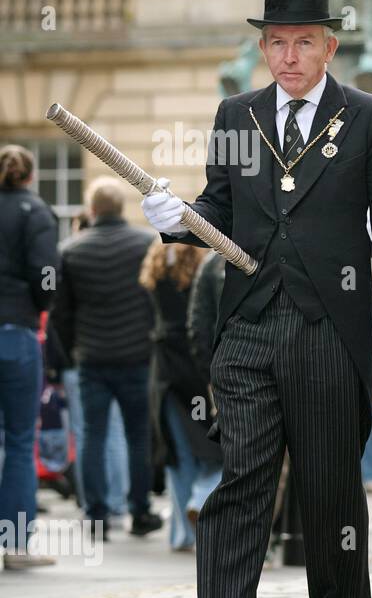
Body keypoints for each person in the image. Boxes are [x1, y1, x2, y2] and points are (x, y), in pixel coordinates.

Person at [142, 0, 372, 598]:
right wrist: (180, 224)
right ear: (263, 49)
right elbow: (220, 208)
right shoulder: (238, 115)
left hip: (331, 327)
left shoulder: (368, 116)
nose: (288, 56)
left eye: (302, 42)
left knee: (328, 483)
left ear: (329, 46)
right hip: (249, 325)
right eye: (275, 42)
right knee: (241, 480)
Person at [51, 177, 161, 541]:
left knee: (92, 436)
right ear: (122, 207)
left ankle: (96, 514)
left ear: (93, 210)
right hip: (137, 357)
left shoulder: (71, 251)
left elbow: (61, 314)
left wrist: (67, 354)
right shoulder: (145, 244)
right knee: (138, 437)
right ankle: (140, 510)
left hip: (92, 358)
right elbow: (153, 304)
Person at [139, 242, 222, 551]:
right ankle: (201, 501)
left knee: (177, 454)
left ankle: (181, 535)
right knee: (214, 447)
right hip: (197, 369)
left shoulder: (156, 269)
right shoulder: (204, 269)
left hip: (165, 371)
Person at [0, 145, 59, 569]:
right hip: (17, 331)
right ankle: (17, 544)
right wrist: (44, 301)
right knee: (21, 440)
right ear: (30, 175)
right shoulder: (36, 212)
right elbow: (46, 272)